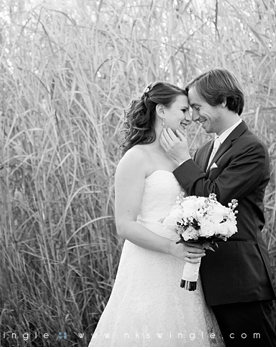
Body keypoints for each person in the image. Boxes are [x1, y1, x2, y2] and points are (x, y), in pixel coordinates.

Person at [89, 82, 224, 347]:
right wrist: (172, 247)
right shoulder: (136, 157)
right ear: (161, 110)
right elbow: (125, 225)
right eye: (183, 110)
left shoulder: (182, 156)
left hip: (184, 264)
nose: (190, 118)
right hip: (150, 263)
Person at [159, 69, 276, 347]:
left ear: (223, 100)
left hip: (240, 281)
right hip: (206, 282)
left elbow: (212, 199)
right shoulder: (202, 151)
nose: (193, 116)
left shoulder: (251, 148)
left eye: (198, 107)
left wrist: (180, 159)